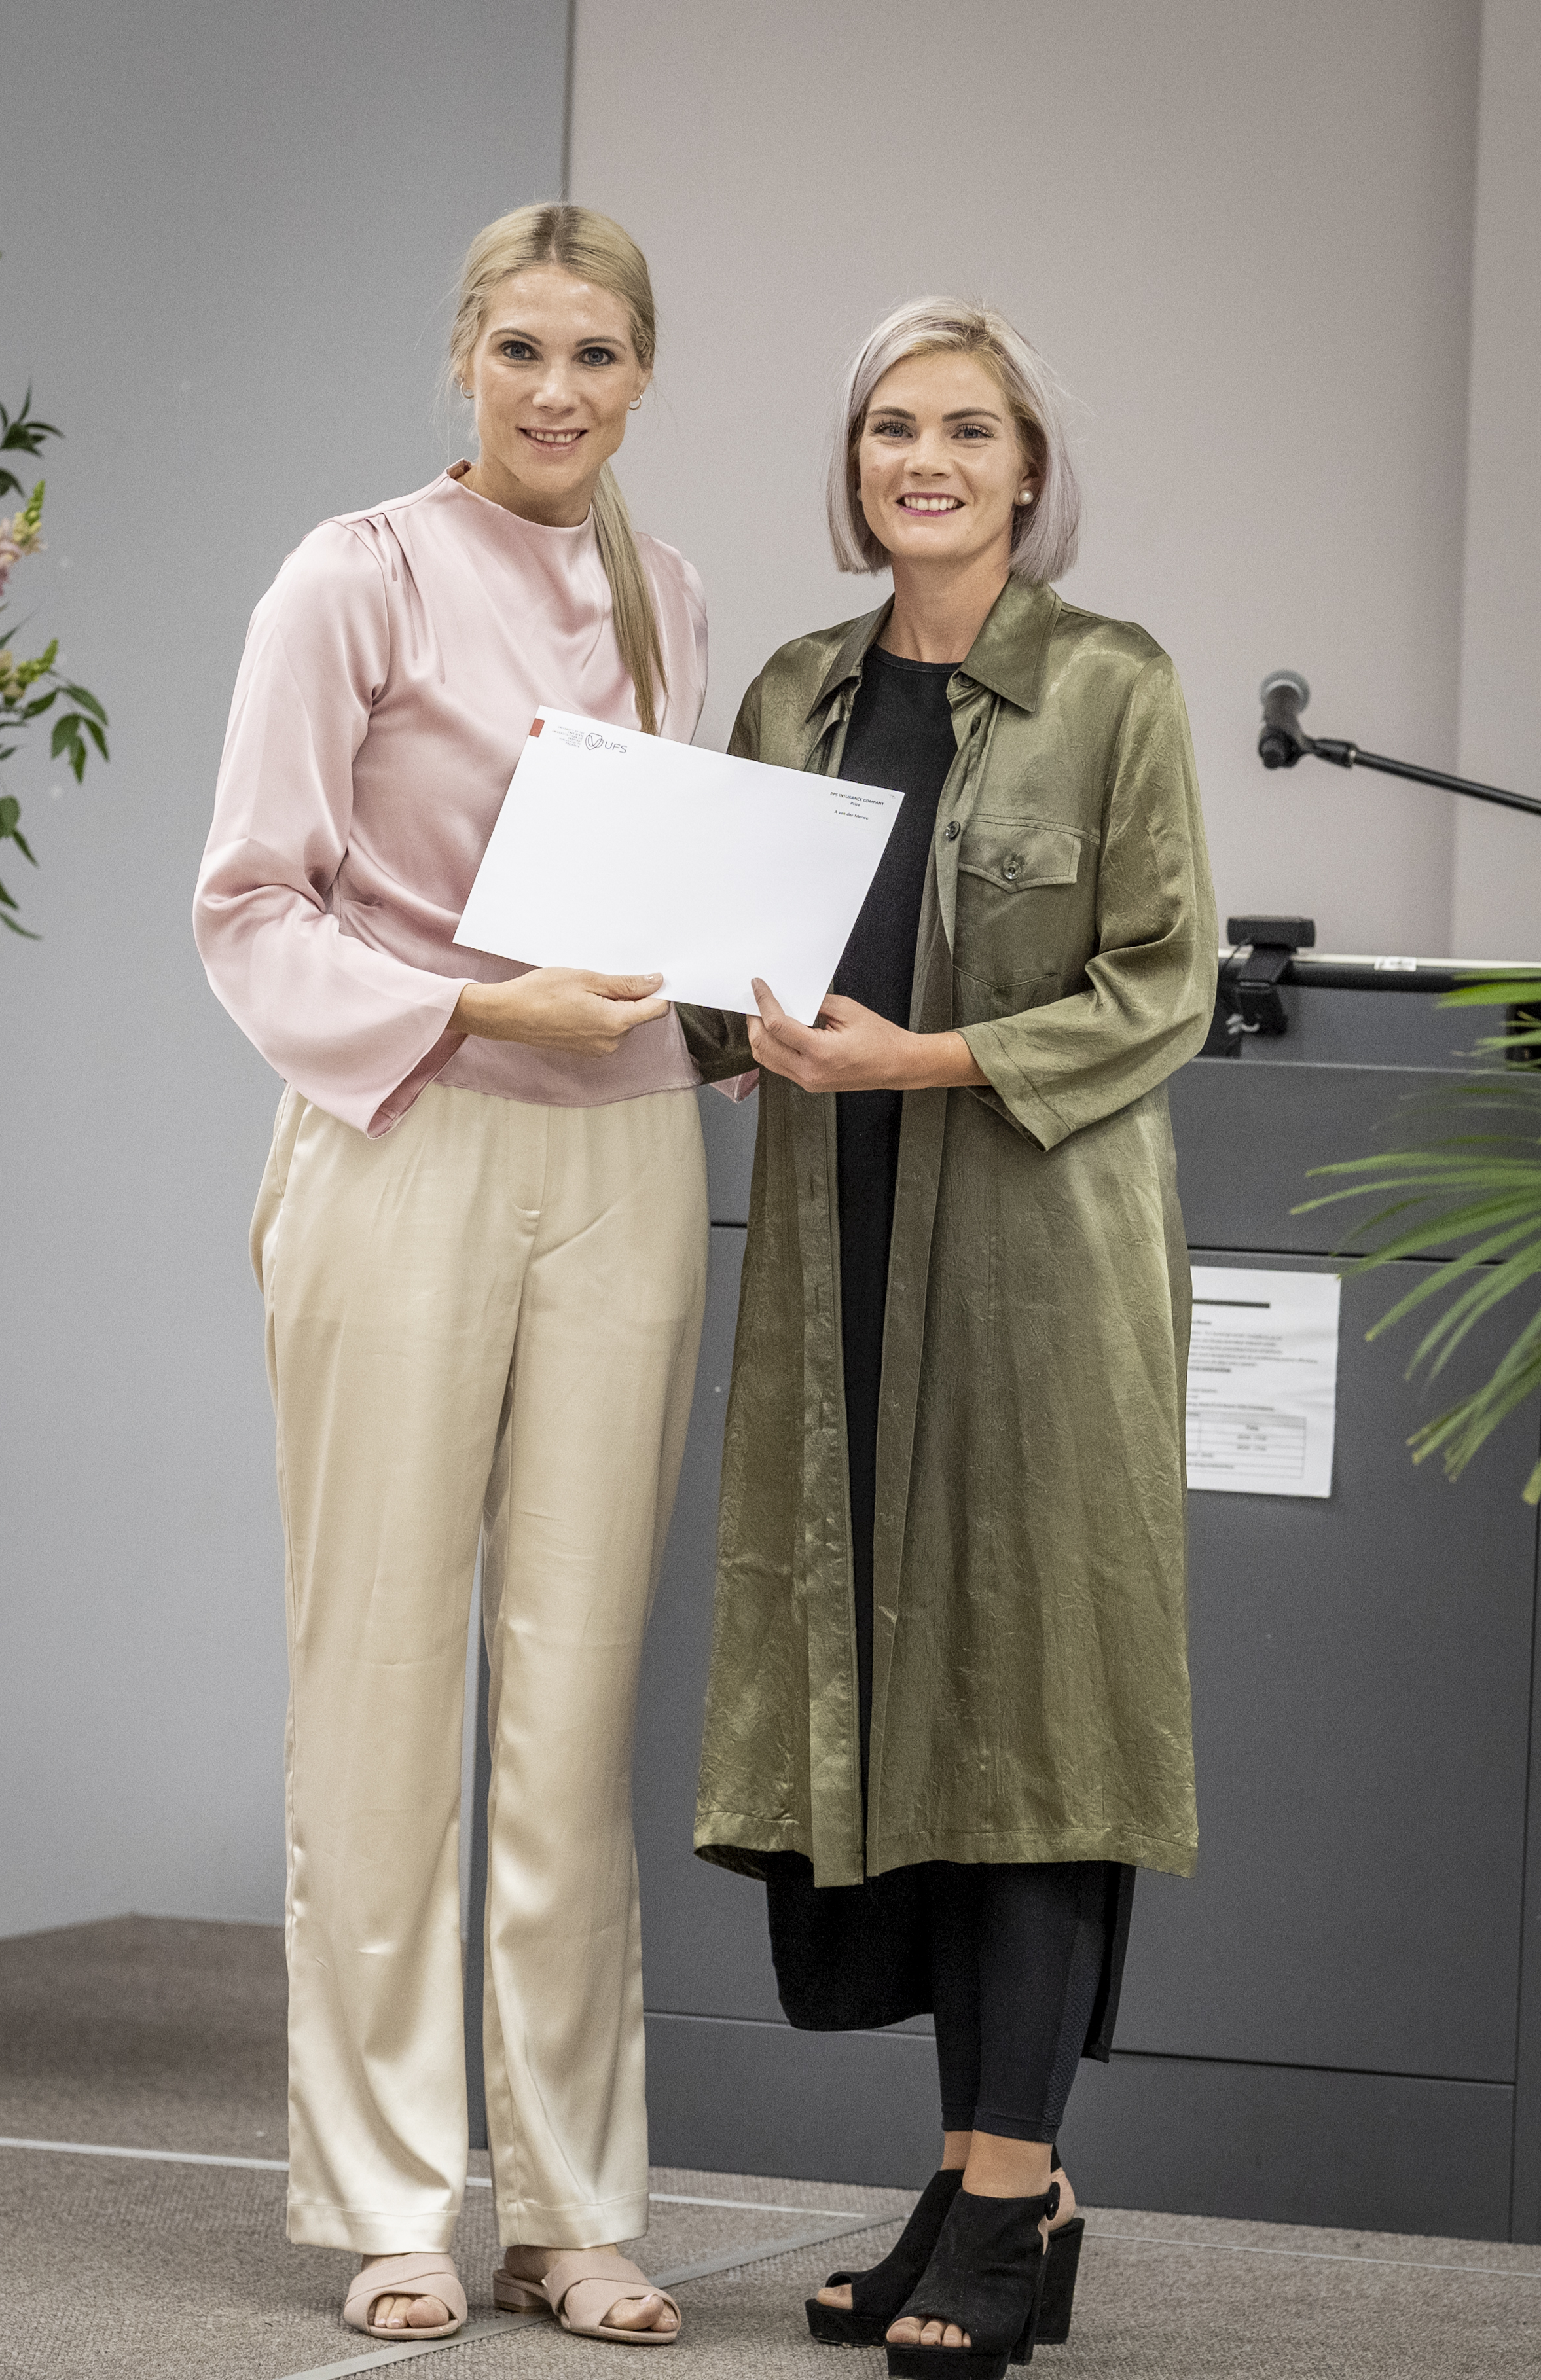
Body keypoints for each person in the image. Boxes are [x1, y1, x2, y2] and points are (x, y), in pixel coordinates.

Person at [680, 297, 1216, 2375]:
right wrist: (655, 962)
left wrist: (926, 1056)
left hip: (1038, 1269)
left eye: (970, 430)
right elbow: (728, 978)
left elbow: (1160, 982)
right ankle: (989, 2180)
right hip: (838, 1256)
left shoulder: (1111, 682)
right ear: (856, 465)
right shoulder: (795, 690)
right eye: (893, 426)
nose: (928, 459)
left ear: (1027, 469)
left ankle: (1009, 2189)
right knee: (901, 1705)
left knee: (1036, 1707)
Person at [194, 204, 706, 2348]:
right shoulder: (355, 575)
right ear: (464, 358)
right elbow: (250, 903)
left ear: (643, 375)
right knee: (384, 1681)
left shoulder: (670, 595)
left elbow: (666, 898)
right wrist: (486, 1010)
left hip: (630, 1154)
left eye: (596, 354)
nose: (555, 391)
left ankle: (573, 2207)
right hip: (404, 1129)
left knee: (576, 1708)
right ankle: (392, 2195)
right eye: (520, 349)